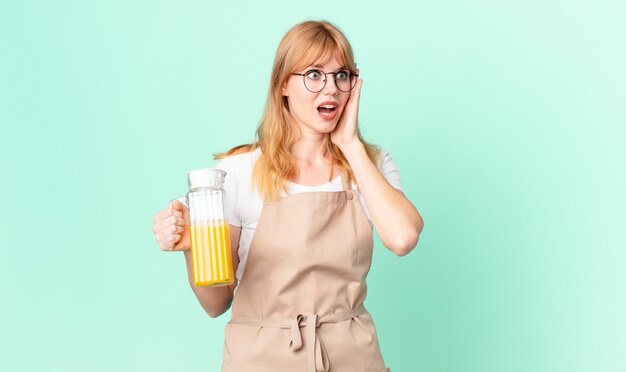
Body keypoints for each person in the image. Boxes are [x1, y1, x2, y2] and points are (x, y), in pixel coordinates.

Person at [152, 20, 423, 372]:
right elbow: (216, 303)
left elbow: (402, 238)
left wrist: (350, 145)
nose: (330, 88)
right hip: (261, 360)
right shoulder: (238, 172)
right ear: (283, 84)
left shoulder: (371, 165)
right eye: (314, 74)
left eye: (341, 75)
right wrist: (192, 248)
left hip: (353, 358)